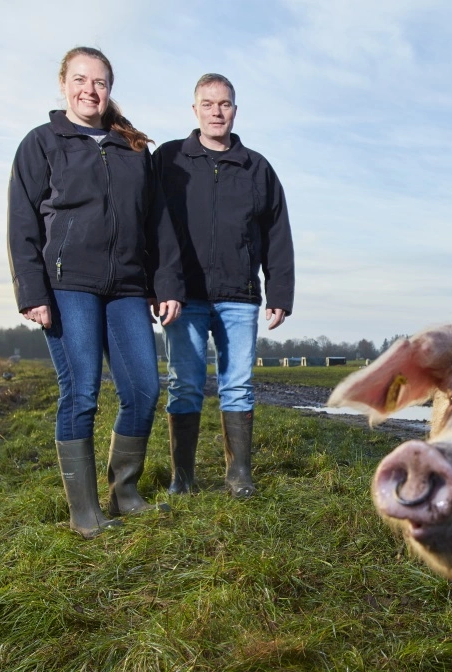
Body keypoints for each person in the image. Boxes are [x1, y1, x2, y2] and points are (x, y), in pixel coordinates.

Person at [7, 46, 182, 539]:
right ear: (64, 83)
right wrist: (32, 291)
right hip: (67, 287)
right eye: (81, 79)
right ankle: (84, 511)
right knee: (81, 393)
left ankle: (124, 492)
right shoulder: (42, 143)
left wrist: (164, 282)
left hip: (128, 286)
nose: (90, 89)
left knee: (144, 390)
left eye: (100, 82)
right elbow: (22, 221)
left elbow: (158, 224)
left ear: (110, 89)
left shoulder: (133, 149)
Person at [152, 73, 295, 498]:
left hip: (239, 296)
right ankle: (184, 477)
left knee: (237, 383)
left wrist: (280, 293)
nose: (217, 111)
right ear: (194, 109)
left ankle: (239, 476)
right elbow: (151, 226)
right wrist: (157, 285)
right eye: (208, 103)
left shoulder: (257, 168)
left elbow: (277, 233)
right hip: (183, 295)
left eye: (225, 104)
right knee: (185, 382)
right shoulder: (170, 159)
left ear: (235, 109)